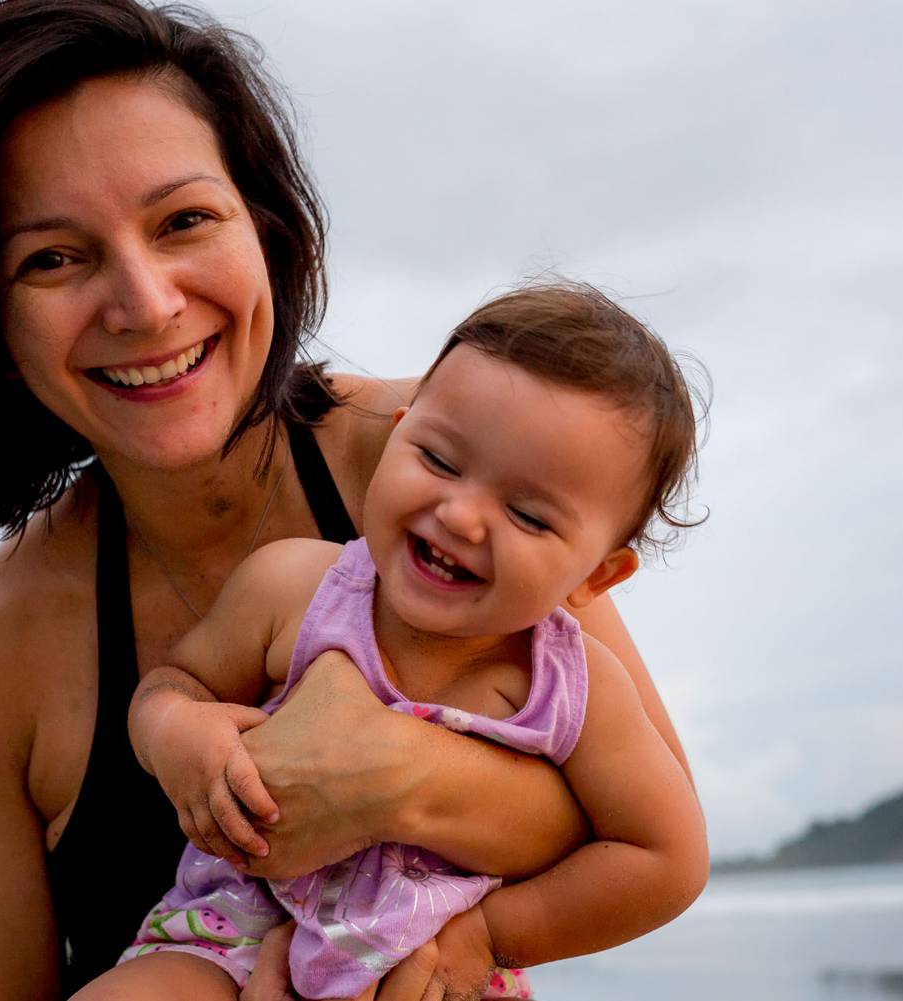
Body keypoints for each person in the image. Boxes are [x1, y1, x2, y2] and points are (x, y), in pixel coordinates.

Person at [0, 1, 694, 997]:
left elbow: (648, 832)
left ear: (266, 225)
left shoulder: (462, 477)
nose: (148, 303)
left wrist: (393, 778)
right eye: (53, 258)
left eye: (183, 220)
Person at [79, 284, 708, 1000]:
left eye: (528, 514)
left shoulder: (572, 686)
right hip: (230, 938)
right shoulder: (296, 586)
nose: (462, 516)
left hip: (433, 966)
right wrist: (177, 732)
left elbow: (668, 857)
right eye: (439, 460)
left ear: (597, 574)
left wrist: (495, 932)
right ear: (397, 437)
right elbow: (173, 683)